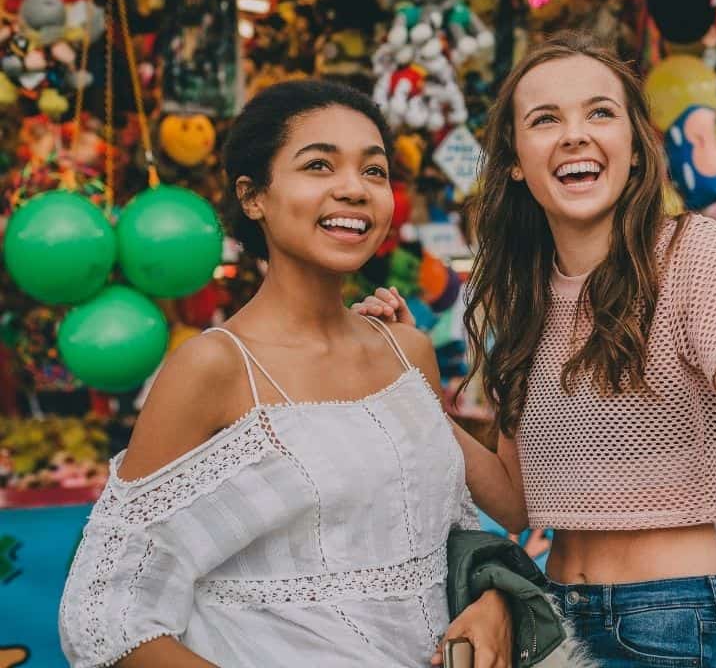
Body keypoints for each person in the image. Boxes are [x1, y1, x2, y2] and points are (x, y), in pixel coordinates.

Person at [356, 31, 716, 666]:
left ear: (635, 149)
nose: (574, 134)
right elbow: (520, 500)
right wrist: (412, 389)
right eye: (545, 119)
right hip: (554, 622)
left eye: (599, 112)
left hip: (671, 621)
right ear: (516, 161)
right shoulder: (518, 293)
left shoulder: (690, 252)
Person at [59, 81, 512, 667]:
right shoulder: (215, 368)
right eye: (319, 165)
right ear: (254, 198)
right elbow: (105, 612)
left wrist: (492, 599)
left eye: (373, 172)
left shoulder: (407, 352)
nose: (353, 189)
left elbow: (444, 532)